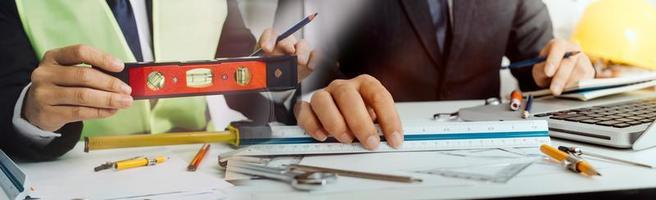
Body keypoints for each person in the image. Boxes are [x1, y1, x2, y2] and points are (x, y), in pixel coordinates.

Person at [0, 0, 315, 160]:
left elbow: (239, 77)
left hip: (193, 168)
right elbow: (7, 99)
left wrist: (274, 79)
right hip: (76, 175)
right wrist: (30, 114)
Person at [293, 0, 596, 150]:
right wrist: (310, 93)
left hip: (487, 152)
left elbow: (539, 71)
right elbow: (304, 73)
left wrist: (567, 73)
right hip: (371, 149)